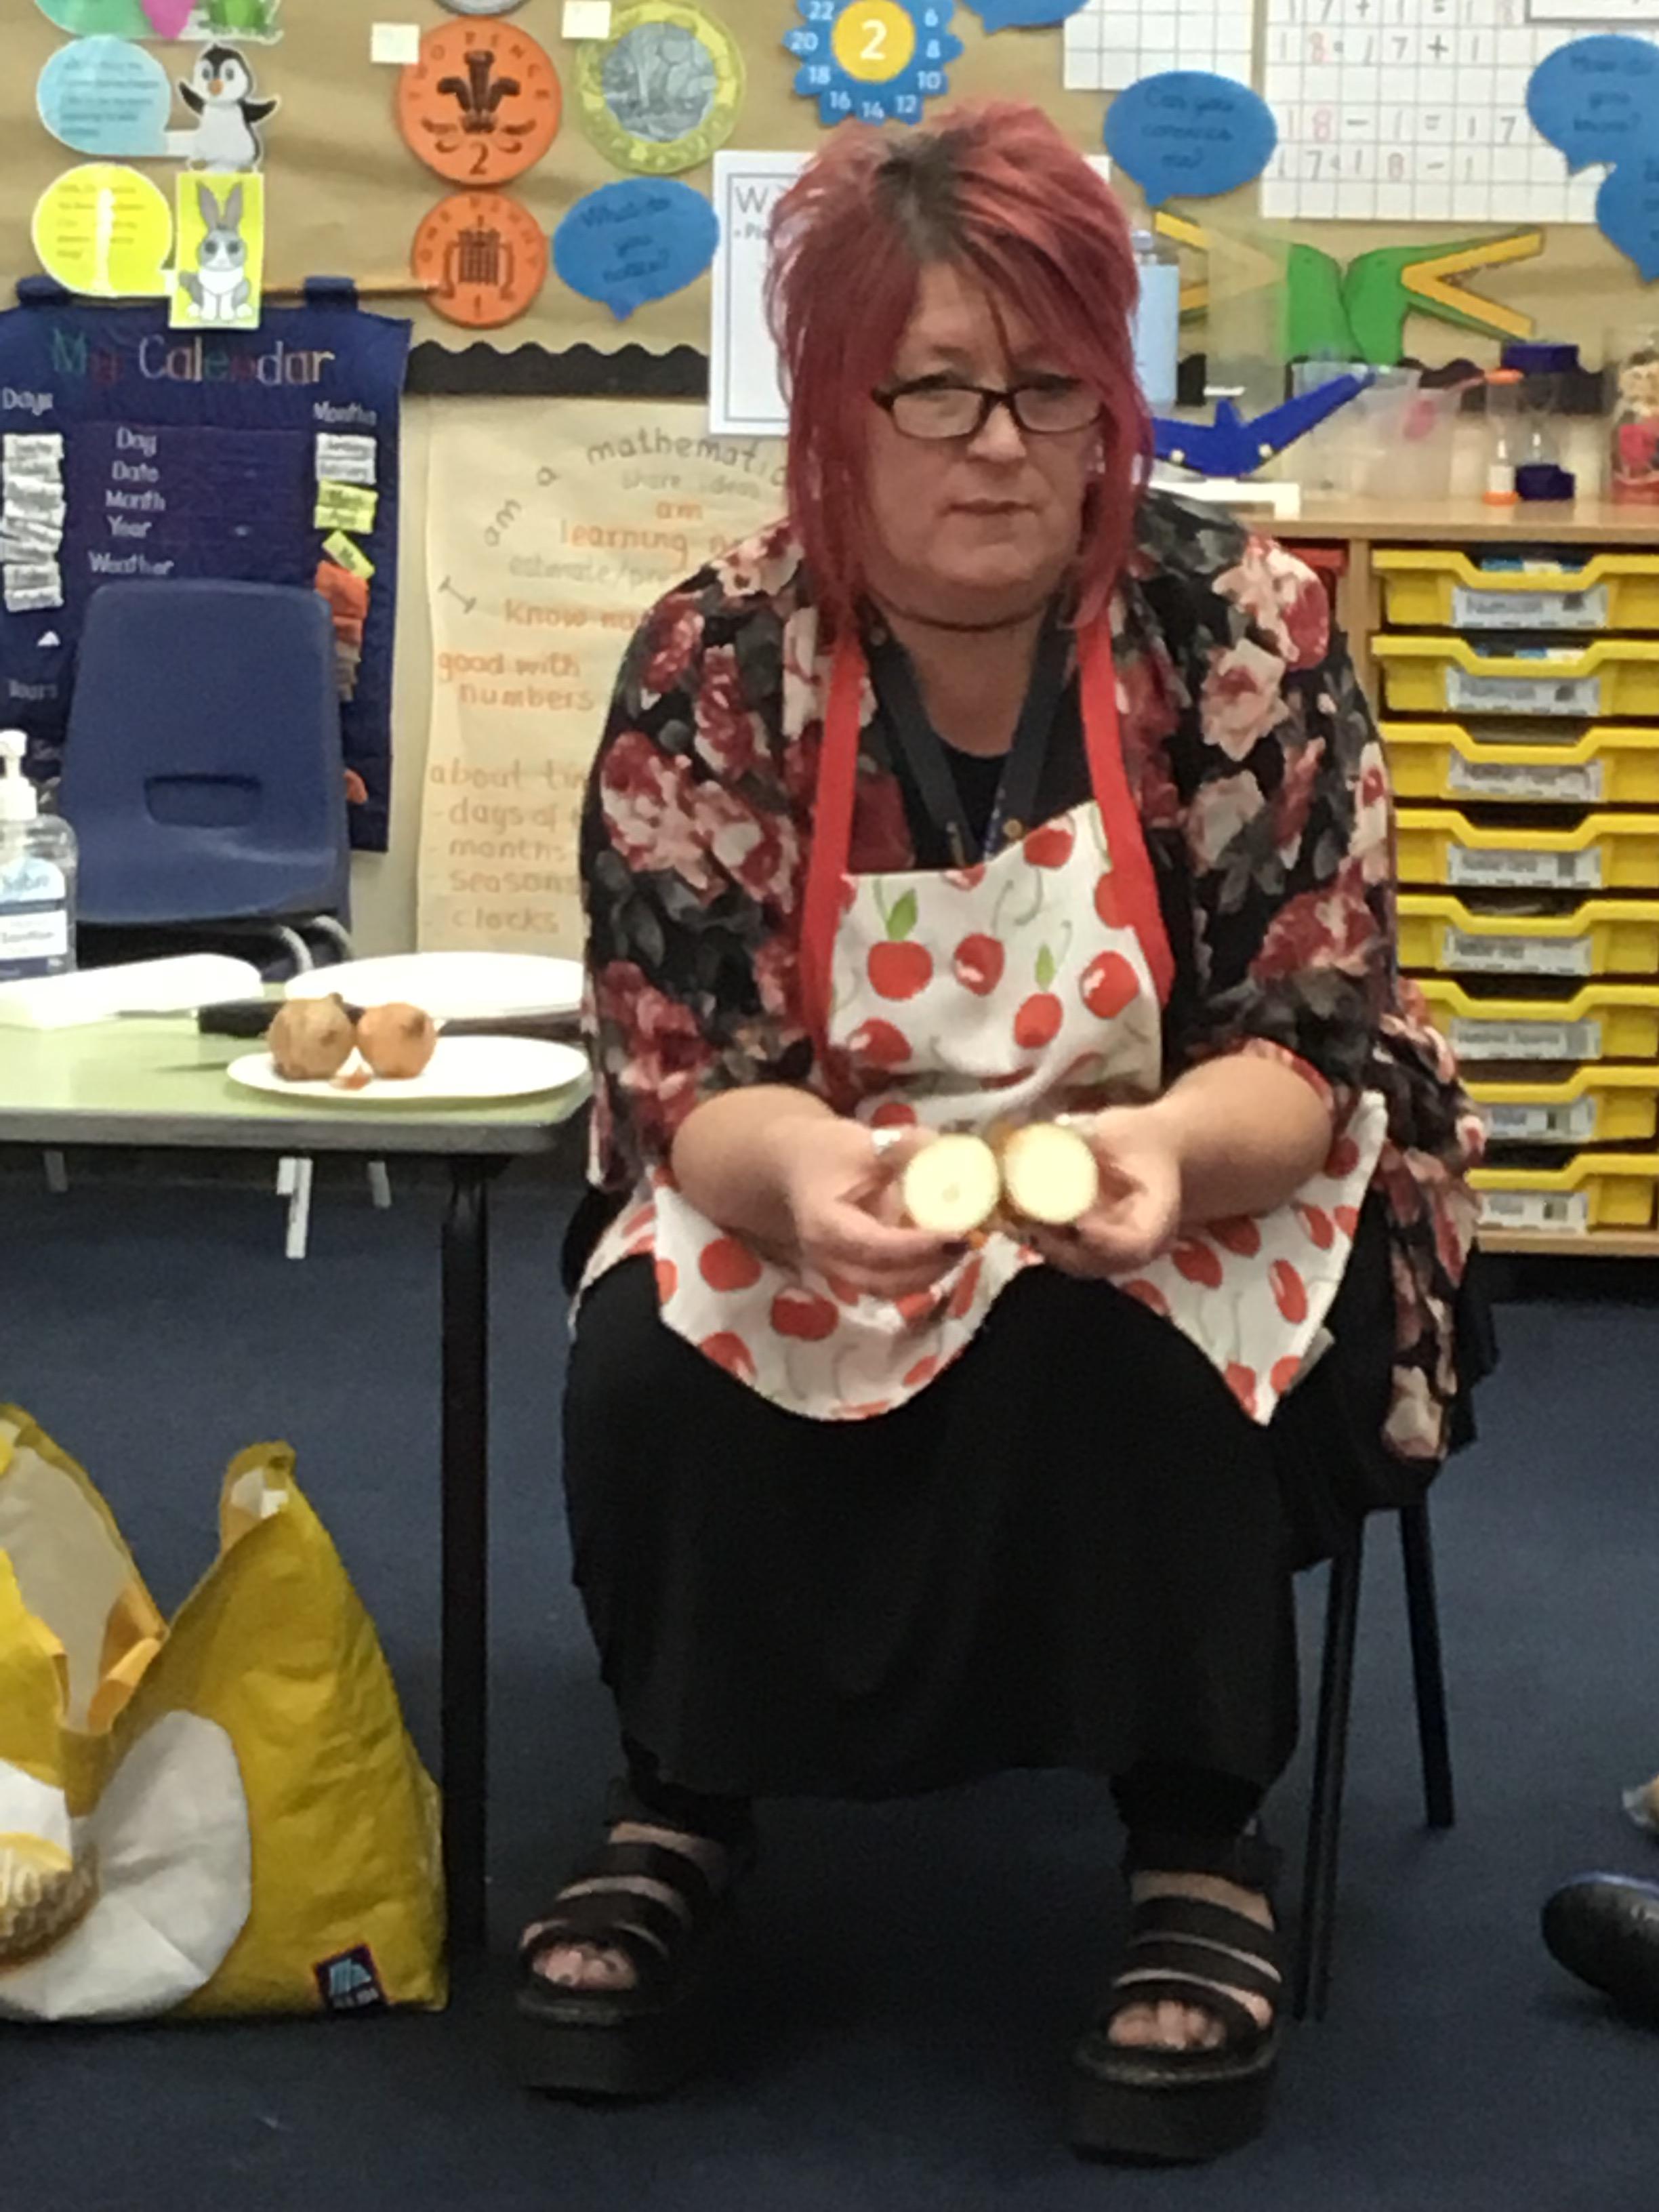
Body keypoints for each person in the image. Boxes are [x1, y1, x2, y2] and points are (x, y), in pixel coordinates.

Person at [518, 104, 1490, 2163]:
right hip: (826, 1150)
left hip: (1194, 1156)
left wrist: (1171, 1161)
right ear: (834, 409)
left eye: (1052, 389)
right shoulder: (720, 660)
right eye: (937, 389)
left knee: (1123, 1338)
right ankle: (684, 1793)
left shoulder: (1245, 634)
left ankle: (1197, 1835)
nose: (999, 446)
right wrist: (798, 1180)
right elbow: (679, 1063)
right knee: (651, 1341)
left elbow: (1311, 1029)